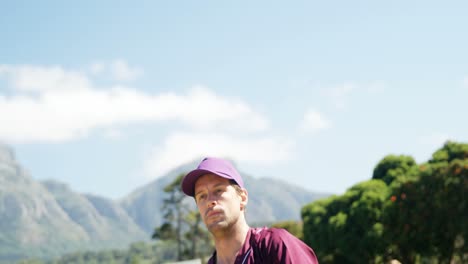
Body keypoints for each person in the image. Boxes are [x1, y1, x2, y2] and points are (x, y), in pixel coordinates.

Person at [181, 157, 319, 264]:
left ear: (242, 197)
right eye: (202, 196)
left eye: (218, 190)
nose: (210, 201)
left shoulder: (274, 245)